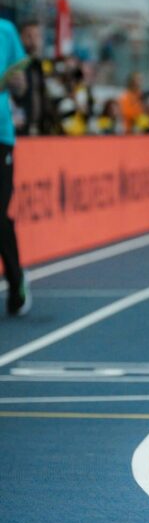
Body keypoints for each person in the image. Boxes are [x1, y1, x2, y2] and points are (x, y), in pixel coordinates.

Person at [0, 20, 31, 316]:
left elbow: (20, 84)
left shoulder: (6, 30)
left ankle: (16, 279)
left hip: (1, 137)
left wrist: (13, 81)